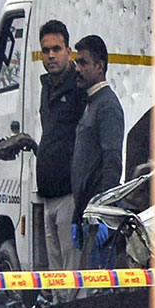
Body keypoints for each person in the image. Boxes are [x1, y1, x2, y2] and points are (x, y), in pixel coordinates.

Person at [68, 34, 125, 251]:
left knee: (97, 284)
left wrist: (104, 213)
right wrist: (76, 214)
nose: (78, 69)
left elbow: (112, 162)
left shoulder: (108, 106)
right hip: (86, 214)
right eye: (76, 63)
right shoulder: (91, 103)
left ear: (100, 66)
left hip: (98, 218)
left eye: (83, 63)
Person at [35, 19, 84, 270]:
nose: (51, 55)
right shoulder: (46, 88)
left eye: (56, 49)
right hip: (48, 193)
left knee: (71, 270)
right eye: (46, 50)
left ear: (68, 51)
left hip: (70, 194)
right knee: (55, 273)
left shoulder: (78, 89)